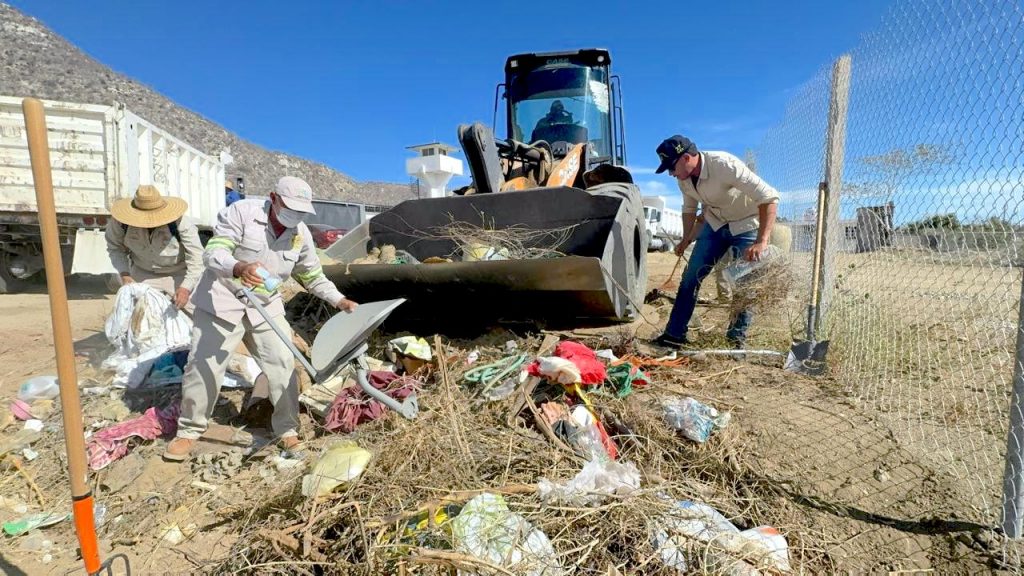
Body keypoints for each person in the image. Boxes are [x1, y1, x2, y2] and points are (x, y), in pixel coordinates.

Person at [164, 176, 359, 461]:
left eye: (301, 211)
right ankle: (190, 430)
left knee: (283, 362)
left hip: (264, 306)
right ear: (273, 198)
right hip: (222, 300)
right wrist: (238, 267)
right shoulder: (242, 212)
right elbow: (214, 252)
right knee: (204, 365)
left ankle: (287, 430)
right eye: (290, 208)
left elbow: (312, 276)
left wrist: (338, 300)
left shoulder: (300, 235)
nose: (295, 215)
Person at [652, 135, 780, 349]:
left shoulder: (724, 165)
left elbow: (769, 197)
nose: (671, 173)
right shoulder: (684, 180)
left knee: (744, 285)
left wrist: (761, 241)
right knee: (690, 278)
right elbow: (689, 210)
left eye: (671, 167)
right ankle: (674, 335)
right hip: (715, 223)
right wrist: (686, 239)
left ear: (686, 158)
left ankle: (735, 341)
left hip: (746, 224)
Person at [105, 185, 203, 310]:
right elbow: (115, 248)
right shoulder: (120, 222)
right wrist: (125, 275)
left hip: (178, 274)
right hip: (142, 273)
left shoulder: (181, 222)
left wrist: (186, 288)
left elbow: (197, 257)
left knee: (190, 314)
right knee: (136, 314)